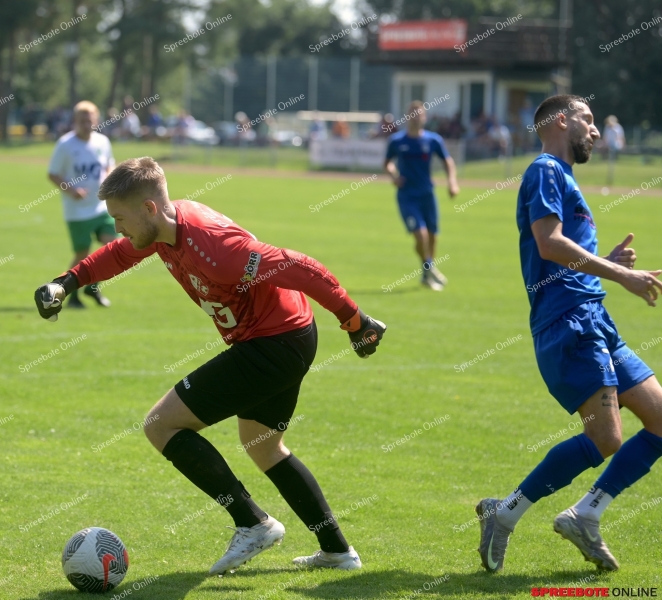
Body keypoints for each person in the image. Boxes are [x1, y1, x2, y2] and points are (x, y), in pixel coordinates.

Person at [34, 157, 387, 575]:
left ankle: (253, 523)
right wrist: (67, 282)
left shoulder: (215, 246)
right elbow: (120, 254)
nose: (117, 228)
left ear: (149, 208)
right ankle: (337, 552)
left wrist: (354, 321)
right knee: (264, 446)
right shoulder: (161, 229)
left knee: (161, 425)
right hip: (284, 336)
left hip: (272, 343)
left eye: (120, 218)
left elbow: (299, 267)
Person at [477, 95, 662, 572]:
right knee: (606, 439)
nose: (596, 131)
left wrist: (608, 266)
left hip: (594, 317)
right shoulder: (545, 170)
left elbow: (568, 256)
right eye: (588, 119)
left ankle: (586, 513)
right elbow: (549, 243)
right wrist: (621, 277)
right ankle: (505, 512)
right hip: (569, 323)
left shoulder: (564, 175)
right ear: (561, 121)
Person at [383, 101, 459, 291]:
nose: (416, 117)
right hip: (407, 196)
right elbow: (387, 162)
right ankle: (429, 267)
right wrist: (393, 176)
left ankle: (427, 272)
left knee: (433, 236)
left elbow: (447, 161)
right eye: (412, 113)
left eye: (420, 114)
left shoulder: (433, 140)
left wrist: (452, 182)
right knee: (421, 235)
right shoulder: (397, 141)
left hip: (427, 195)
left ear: (425, 118)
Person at [47, 100, 116, 309]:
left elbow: (110, 164)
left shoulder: (102, 142)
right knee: (82, 254)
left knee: (112, 247)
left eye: (90, 120)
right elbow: (53, 173)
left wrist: (108, 176)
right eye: (82, 121)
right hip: (77, 211)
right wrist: (71, 189)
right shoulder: (66, 144)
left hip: (101, 207)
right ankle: (69, 294)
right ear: (75, 121)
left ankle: (92, 287)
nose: (87, 124)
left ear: (96, 120)